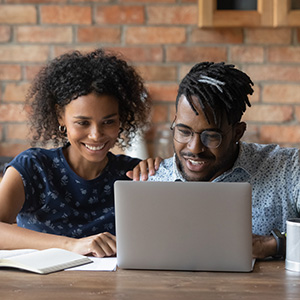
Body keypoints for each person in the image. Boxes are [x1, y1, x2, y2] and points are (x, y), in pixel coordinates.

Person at [131, 62, 300, 259]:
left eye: (211, 136)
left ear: (238, 132)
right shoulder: (152, 180)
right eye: (184, 131)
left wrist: (274, 244)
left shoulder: (288, 168)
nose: (194, 148)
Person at [0, 48, 151, 257]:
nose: (96, 135)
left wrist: (165, 174)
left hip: (112, 288)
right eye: (83, 123)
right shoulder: (33, 168)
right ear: (60, 117)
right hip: (39, 288)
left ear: (121, 119)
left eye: (108, 122)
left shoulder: (133, 174)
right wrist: (71, 245)